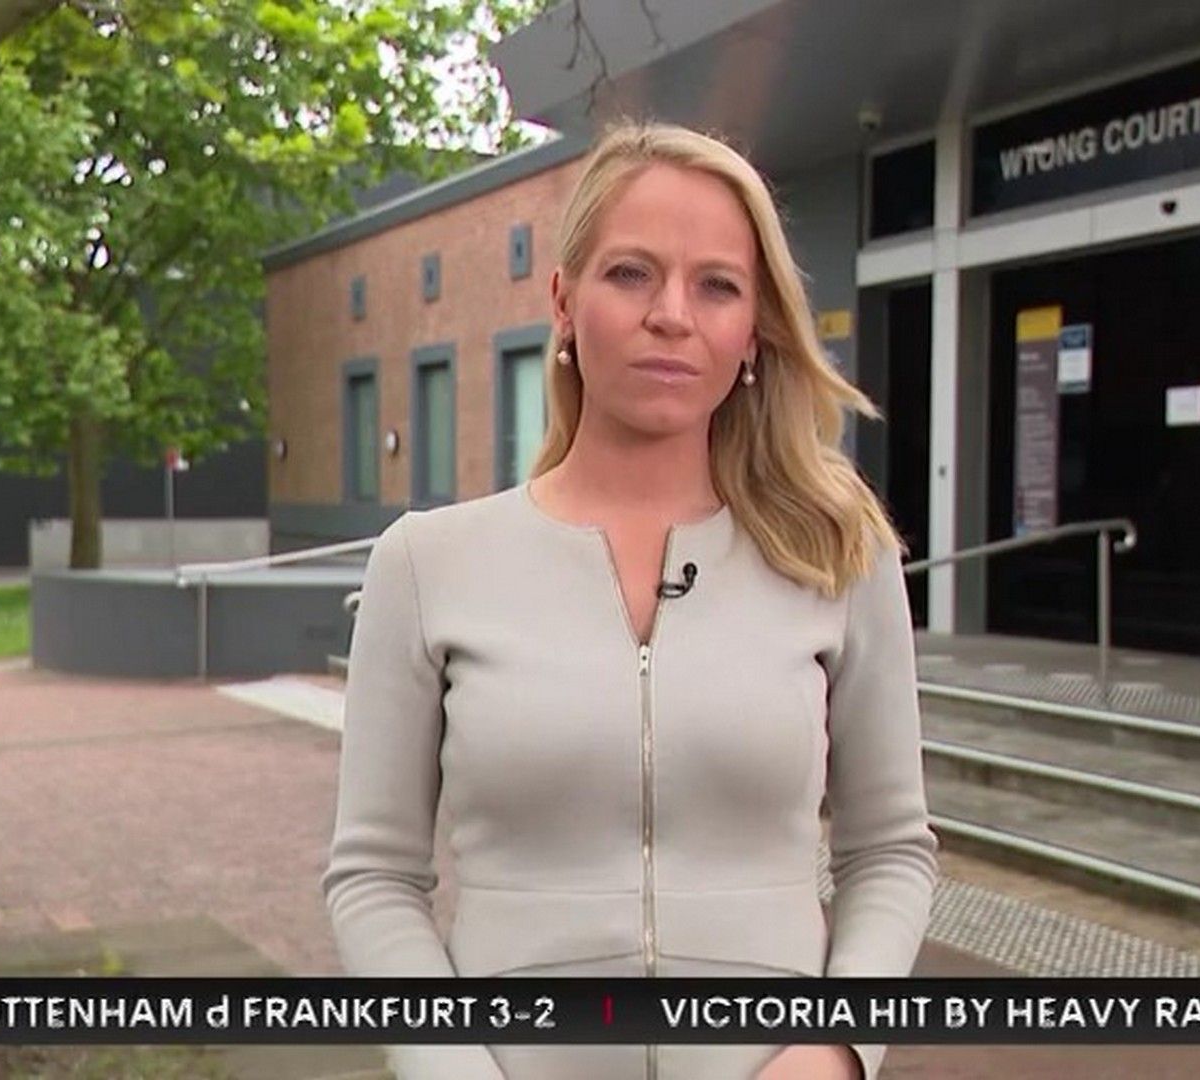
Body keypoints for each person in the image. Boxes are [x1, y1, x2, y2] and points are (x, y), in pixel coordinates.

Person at [322, 120, 938, 1080]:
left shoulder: (839, 556)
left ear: (754, 330)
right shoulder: (427, 564)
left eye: (717, 285)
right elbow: (374, 877)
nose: (672, 315)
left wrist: (837, 1051)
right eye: (631, 274)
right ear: (564, 302)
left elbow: (891, 850)